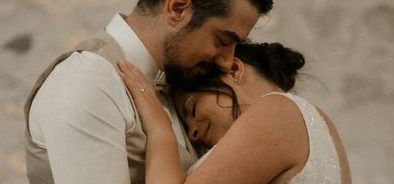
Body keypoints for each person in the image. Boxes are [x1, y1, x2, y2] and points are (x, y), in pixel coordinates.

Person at [23, 0, 273, 184]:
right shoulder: (88, 78)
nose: (227, 60)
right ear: (178, 8)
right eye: (223, 40)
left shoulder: (181, 90)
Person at [118, 41, 352, 184]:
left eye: (193, 108)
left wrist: (160, 128)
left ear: (234, 69)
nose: (193, 133)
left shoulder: (277, 113)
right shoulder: (311, 120)